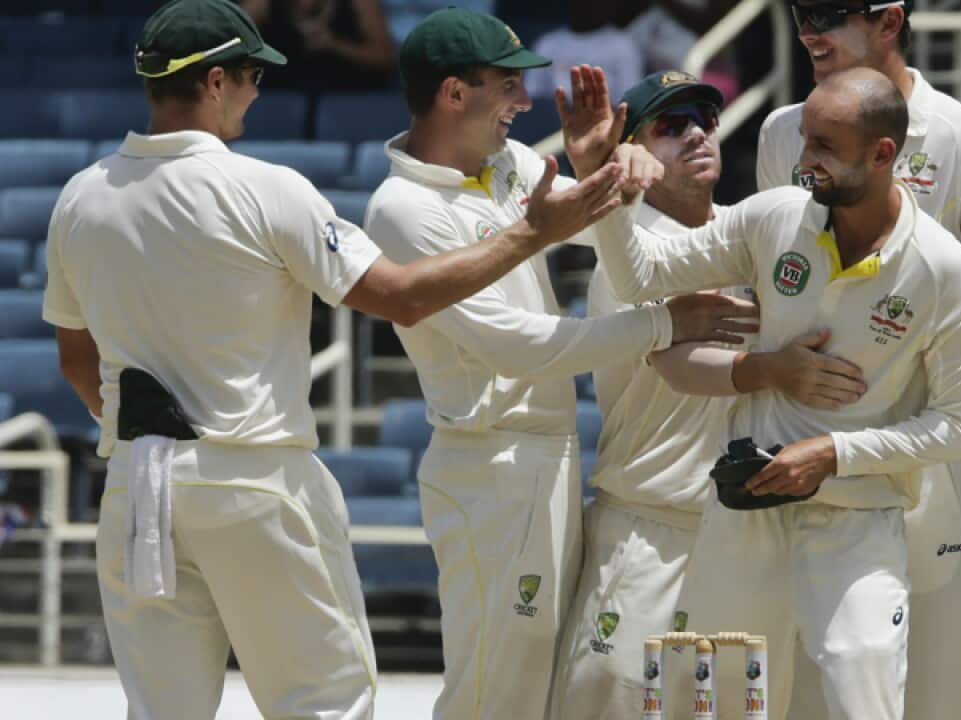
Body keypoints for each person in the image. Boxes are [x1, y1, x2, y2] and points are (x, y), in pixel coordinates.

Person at [43, 1, 630, 717]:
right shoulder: (266, 188)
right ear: (218, 80)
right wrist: (532, 233)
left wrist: (153, 444)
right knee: (325, 704)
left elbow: (76, 360)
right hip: (254, 475)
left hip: (137, 484)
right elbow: (402, 298)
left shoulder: (79, 198)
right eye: (254, 76)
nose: (257, 92)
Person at [360, 10, 759, 720]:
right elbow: (514, 347)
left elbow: (595, 217)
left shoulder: (509, 165)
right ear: (454, 93)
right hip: (489, 462)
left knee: (538, 687)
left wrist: (612, 168)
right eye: (507, 86)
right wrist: (666, 322)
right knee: (494, 689)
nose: (524, 101)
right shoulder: (404, 207)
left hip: (549, 454)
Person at [589, 66, 961, 720]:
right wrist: (608, 185)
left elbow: (958, 426)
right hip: (746, 513)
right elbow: (639, 278)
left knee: (861, 705)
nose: (805, 161)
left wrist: (832, 453)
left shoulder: (944, 270)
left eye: (825, 147)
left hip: (857, 524)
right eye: (805, 140)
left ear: (883, 154)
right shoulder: (774, 216)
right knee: (719, 709)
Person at [548, 69, 866, 720]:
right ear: (632, 151)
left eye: (705, 121)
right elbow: (675, 362)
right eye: (671, 126)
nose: (696, 134)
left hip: (748, 533)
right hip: (652, 528)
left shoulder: (750, 233)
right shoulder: (629, 252)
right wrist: (770, 369)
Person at [754, 3, 961, 716]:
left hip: (930, 445)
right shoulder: (782, 129)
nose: (808, 30)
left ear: (889, 20)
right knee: (813, 693)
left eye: (828, 13)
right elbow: (770, 272)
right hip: (814, 445)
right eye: (799, 12)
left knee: (939, 691)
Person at [240, 0, 397, 93]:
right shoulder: (262, 3)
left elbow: (386, 57)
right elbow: (232, 45)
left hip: (345, 96)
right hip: (280, 97)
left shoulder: (360, 4)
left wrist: (335, 44)